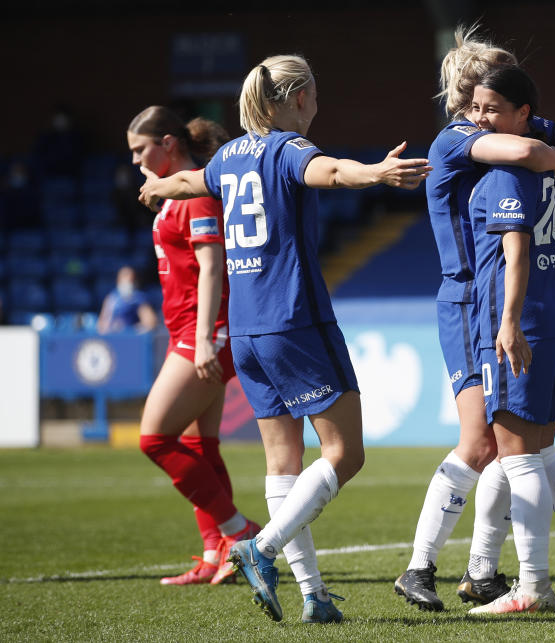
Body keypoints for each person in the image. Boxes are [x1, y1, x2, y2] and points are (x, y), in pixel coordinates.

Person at [139, 54, 430, 624]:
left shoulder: (228, 156)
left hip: (244, 332)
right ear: (297, 98)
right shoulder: (289, 149)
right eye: (315, 96)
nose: (317, 106)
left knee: (283, 461)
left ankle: (315, 597)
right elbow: (335, 172)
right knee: (346, 454)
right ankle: (260, 547)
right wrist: (377, 173)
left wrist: (157, 190)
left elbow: (186, 181)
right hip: (294, 321)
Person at [394, 25, 555, 613]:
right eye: (480, 98)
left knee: (509, 445)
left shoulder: (512, 126)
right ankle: (423, 566)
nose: (483, 108)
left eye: (496, 100)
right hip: (470, 300)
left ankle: (484, 573)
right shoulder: (458, 137)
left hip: (507, 301)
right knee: (484, 442)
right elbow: (530, 152)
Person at [126, 106, 259, 587]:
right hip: (188, 330)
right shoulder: (171, 195)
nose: (136, 160)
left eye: (141, 149)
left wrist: (204, 339)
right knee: (197, 444)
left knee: (154, 439)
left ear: (168, 142)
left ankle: (239, 531)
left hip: (205, 333)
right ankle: (213, 554)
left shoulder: (197, 193)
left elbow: (212, 266)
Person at [96, 265, 158, 334]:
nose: (127, 281)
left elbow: (150, 322)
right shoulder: (111, 297)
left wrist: (132, 331)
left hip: (130, 338)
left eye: (130, 279)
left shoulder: (138, 298)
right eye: (123, 277)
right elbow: (103, 322)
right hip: (113, 337)